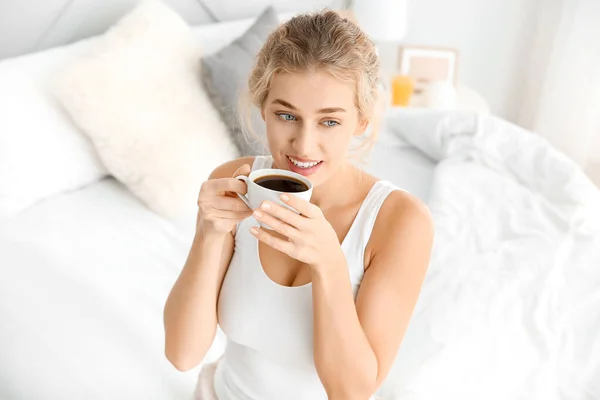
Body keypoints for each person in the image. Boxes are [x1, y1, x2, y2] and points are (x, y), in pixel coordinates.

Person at [163, 9, 434, 400]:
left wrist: (329, 263)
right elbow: (182, 354)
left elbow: (351, 392)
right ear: (263, 108)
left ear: (360, 120)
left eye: (329, 122)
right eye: (286, 115)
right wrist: (209, 234)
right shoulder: (234, 182)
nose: (304, 146)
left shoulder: (400, 222)